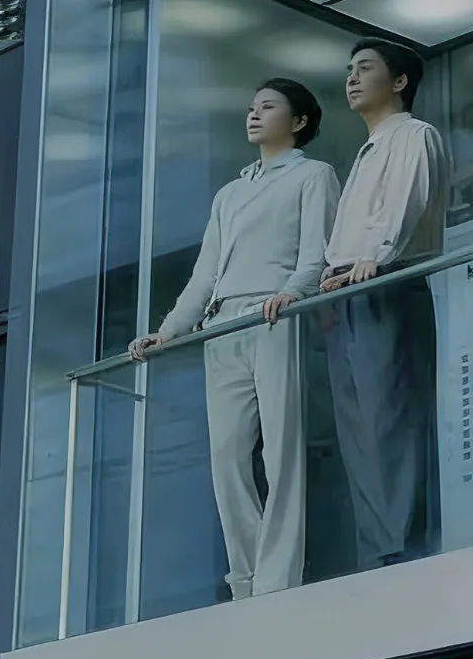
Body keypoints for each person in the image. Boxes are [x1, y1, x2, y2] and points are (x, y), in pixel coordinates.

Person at [130, 80, 339, 600]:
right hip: (222, 326)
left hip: (273, 315)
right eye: (251, 107)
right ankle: (245, 578)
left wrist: (292, 293)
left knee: (282, 453)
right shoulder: (230, 192)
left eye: (268, 107)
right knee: (227, 457)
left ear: (298, 122)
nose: (254, 114)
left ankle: (278, 579)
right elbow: (204, 275)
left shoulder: (313, 175)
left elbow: (317, 253)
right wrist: (169, 330)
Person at [320, 40, 451, 571]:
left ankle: (406, 553)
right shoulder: (367, 149)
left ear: (399, 82)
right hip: (348, 290)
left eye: (365, 68)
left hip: (386, 281)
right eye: (349, 70)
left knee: (392, 420)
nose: (352, 78)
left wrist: (374, 257)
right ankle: (378, 556)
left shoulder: (414, 135)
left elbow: (405, 203)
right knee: (358, 429)